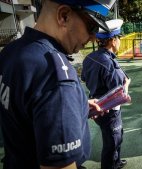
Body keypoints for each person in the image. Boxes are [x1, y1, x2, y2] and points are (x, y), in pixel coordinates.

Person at [0, 0, 116, 168]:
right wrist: (64, 100)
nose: (93, 37)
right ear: (64, 16)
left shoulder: (12, 51)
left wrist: (78, 106)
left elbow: (25, 112)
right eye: (92, 27)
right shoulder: (55, 75)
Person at [81, 19, 129, 169]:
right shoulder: (108, 61)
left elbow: (84, 77)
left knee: (115, 135)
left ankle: (116, 161)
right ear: (113, 41)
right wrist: (126, 84)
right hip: (109, 107)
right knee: (112, 141)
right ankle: (110, 165)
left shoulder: (90, 57)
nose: (120, 41)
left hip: (96, 103)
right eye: (119, 38)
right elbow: (117, 90)